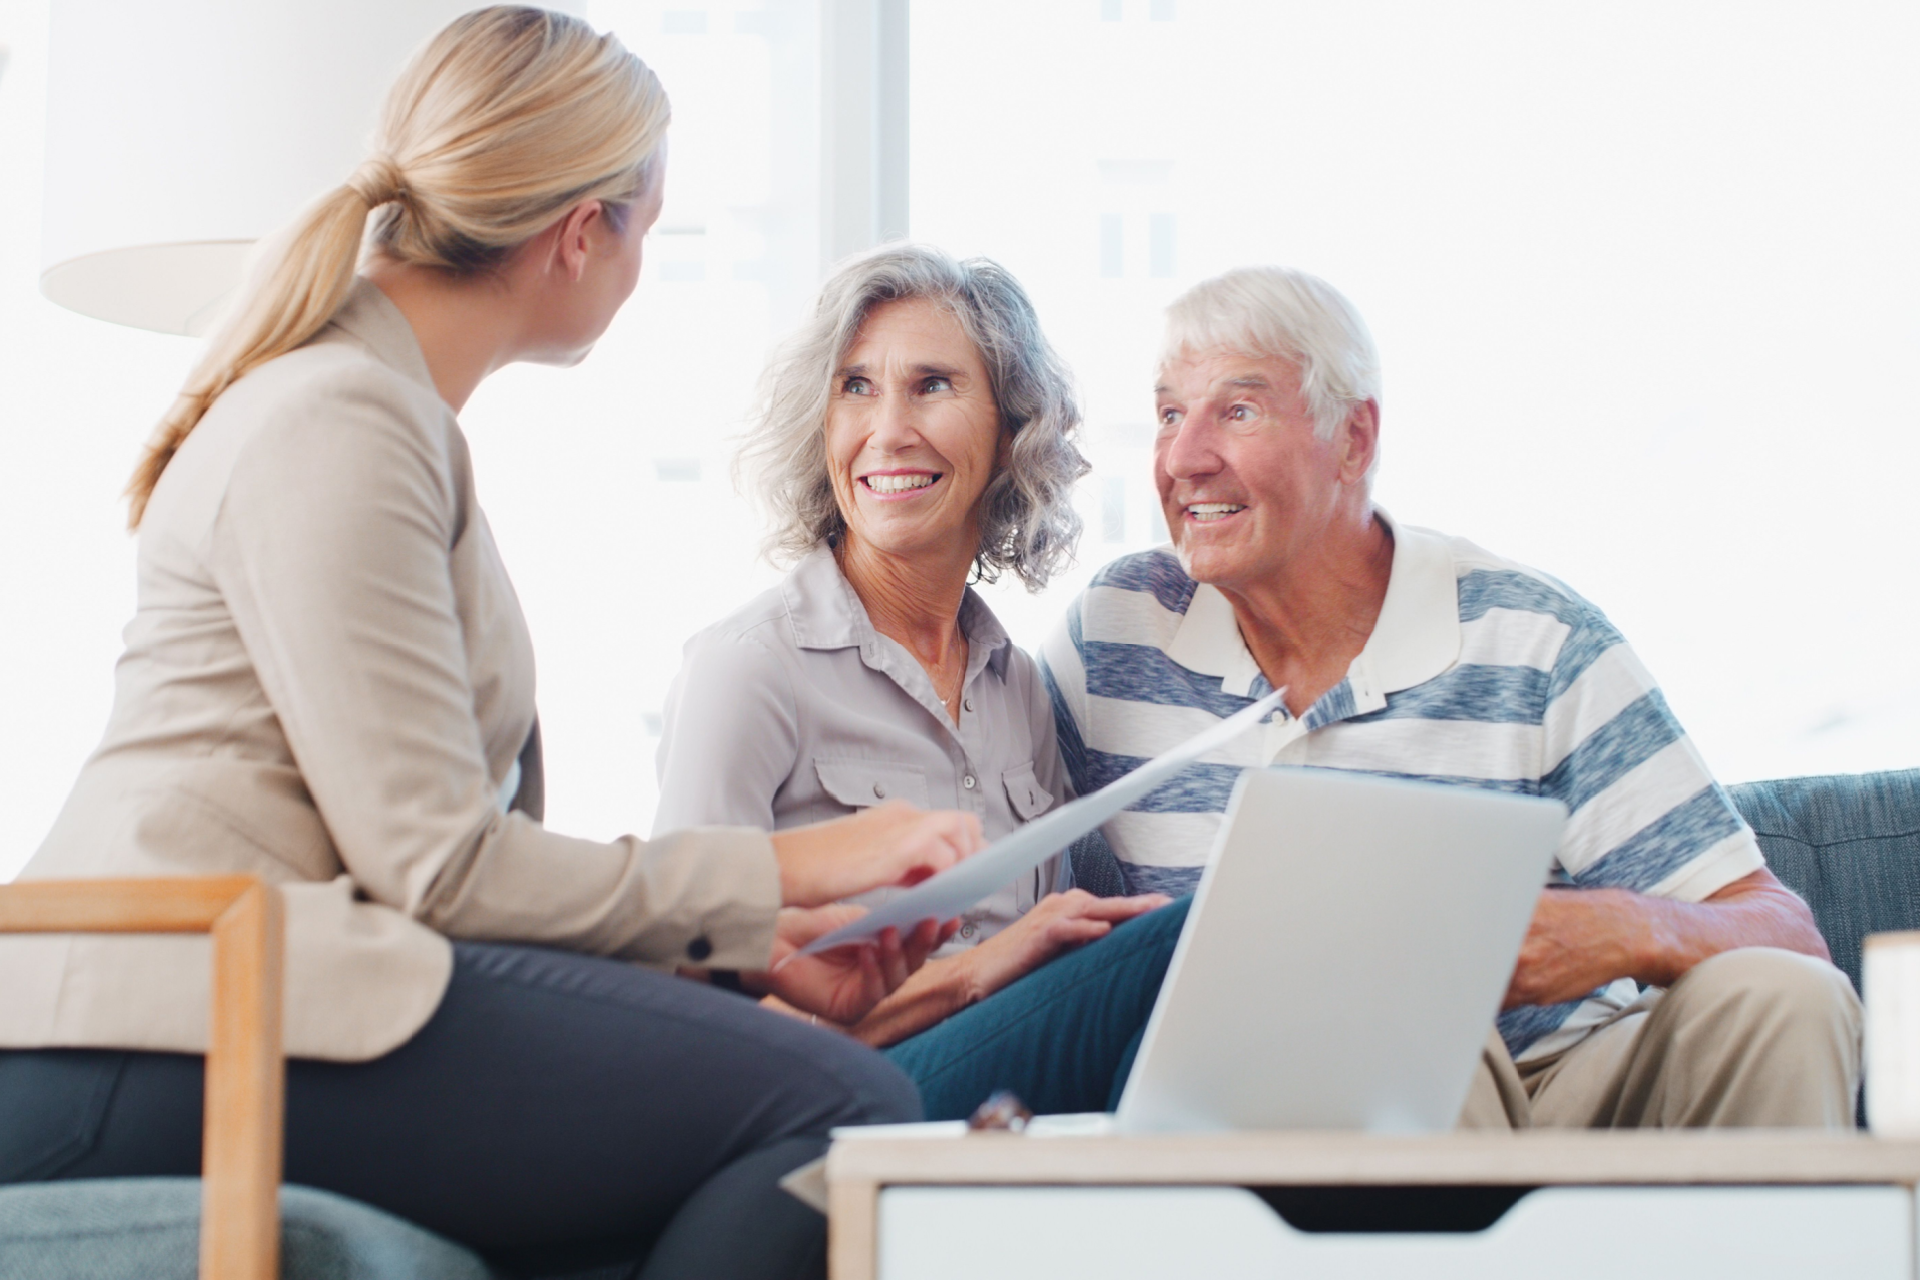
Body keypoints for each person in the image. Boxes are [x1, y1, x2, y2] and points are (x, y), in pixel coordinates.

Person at [0, 11, 986, 1278]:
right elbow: (438, 865)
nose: (643, 269)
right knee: (839, 1112)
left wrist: (746, 958)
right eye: (649, 229)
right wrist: (786, 869)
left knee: (697, 1170)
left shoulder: (372, 411)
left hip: (231, 1007)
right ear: (581, 235)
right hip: (154, 1037)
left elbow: (427, 865)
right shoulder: (336, 418)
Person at [1040, 264, 1862, 1128]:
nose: (1183, 459)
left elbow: (1784, 930)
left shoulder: (1530, 636)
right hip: (1315, 1092)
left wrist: (1617, 930)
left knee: (1784, 997)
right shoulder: (1120, 631)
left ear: (1353, 440)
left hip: (1575, 1081)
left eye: (1236, 412)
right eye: (1171, 414)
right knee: (1376, 1019)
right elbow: (973, 768)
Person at [656, 243, 1168, 1051]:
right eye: (856, 388)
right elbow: (688, 1017)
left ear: (1010, 433)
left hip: (1005, 1116)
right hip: (839, 1107)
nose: (888, 431)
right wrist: (980, 968)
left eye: (932, 386)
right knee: (1160, 956)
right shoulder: (748, 669)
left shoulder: (1017, 689)